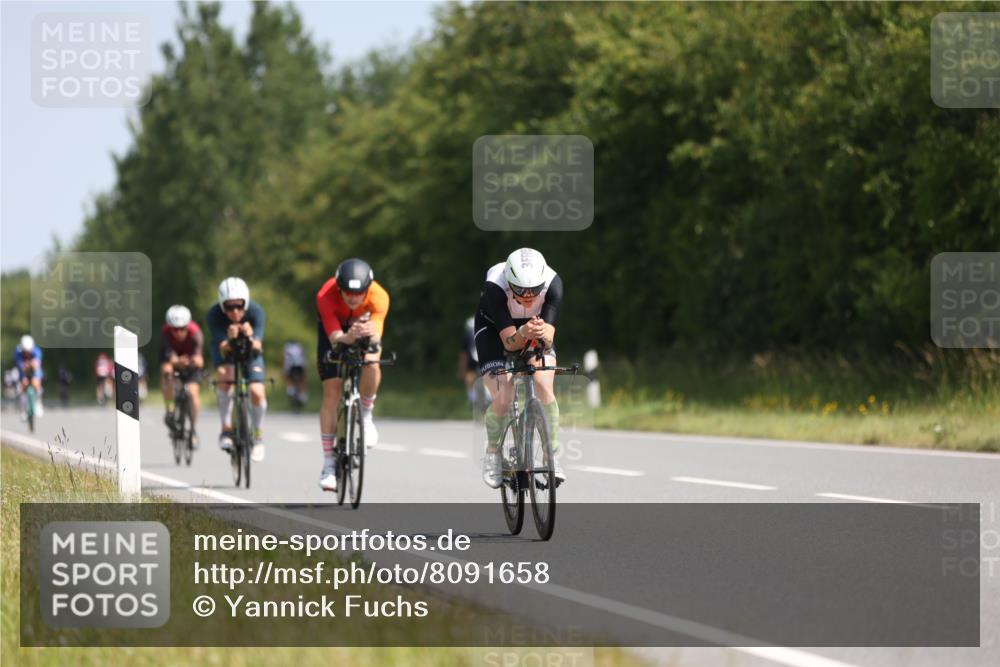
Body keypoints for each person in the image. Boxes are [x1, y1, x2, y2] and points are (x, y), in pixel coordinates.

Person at [475, 248, 564, 488]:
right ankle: (493, 453)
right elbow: (509, 343)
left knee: (543, 385)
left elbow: (548, 340)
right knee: (505, 396)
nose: (528, 296)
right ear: (509, 282)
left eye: (534, 290)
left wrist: (543, 336)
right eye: (521, 290)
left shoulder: (554, 285)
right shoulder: (495, 288)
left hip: (532, 327)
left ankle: (551, 455)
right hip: (494, 330)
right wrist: (523, 332)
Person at [314, 258, 389, 492]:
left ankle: (365, 414)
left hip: (364, 329)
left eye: (358, 293)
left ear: (368, 288)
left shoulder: (379, 296)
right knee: (332, 391)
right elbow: (335, 338)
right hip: (335, 333)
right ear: (339, 288)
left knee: (372, 363)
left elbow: (376, 338)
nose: (353, 298)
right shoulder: (325, 295)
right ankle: (328, 463)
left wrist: (368, 333)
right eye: (347, 293)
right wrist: (348, 337)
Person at [207, 278, 268, 462]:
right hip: (226, 352)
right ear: (222, 305)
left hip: (251, 352)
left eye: (239, 306)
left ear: (246, 303)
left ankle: (258, 436)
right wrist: (229, 338)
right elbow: (222, 346)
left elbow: (258, 345)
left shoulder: (256, 312)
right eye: (229, 307)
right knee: (225, 376)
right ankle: (226, 429)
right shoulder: (214, 314)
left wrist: (250, 336)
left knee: (257, 391)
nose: (235, 311)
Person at [160, 305, 205, 443]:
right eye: (175, 329)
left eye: (182, 329)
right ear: (170, 327)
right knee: (166, 371)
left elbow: (200, 360)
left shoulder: (196, 333)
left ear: (188, 326)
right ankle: (169, 409)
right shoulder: (165, 332)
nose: (178, 332)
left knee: (193, 393)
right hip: (173, 361)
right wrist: (176, 361)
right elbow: (168, 355)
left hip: (190, 362)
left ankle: (193, 429)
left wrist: (193, 361)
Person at [13, 335, 44, 417]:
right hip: (22, 370)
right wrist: (27, 365)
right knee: (23, 385)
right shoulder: (18, 352)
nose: (27, 353)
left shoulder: (36, 350)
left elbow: (37, 364)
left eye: (29, 351)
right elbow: (21, 366)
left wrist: (31, 365)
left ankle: (39, 403)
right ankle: (22, 409)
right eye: (25, 351)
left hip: (34, 370)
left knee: (36, 382)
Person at [458, 316, 480, 406]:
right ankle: (488, 397)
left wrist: (462, 369)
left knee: (470, 376)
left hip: (471, 359)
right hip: (483, 357)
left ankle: (472, 397)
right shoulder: (483, 333)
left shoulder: (466, 337)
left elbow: (464, 355)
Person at [283, 341, 308, 408]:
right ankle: (302, 394)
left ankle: (290, 389)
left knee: (288, 376)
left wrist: (285, 371)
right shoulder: (300, 346)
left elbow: (286, 359)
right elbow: (304, 357)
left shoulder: (287, 347)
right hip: (300, 365)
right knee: (302, 379)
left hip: (291, 366)